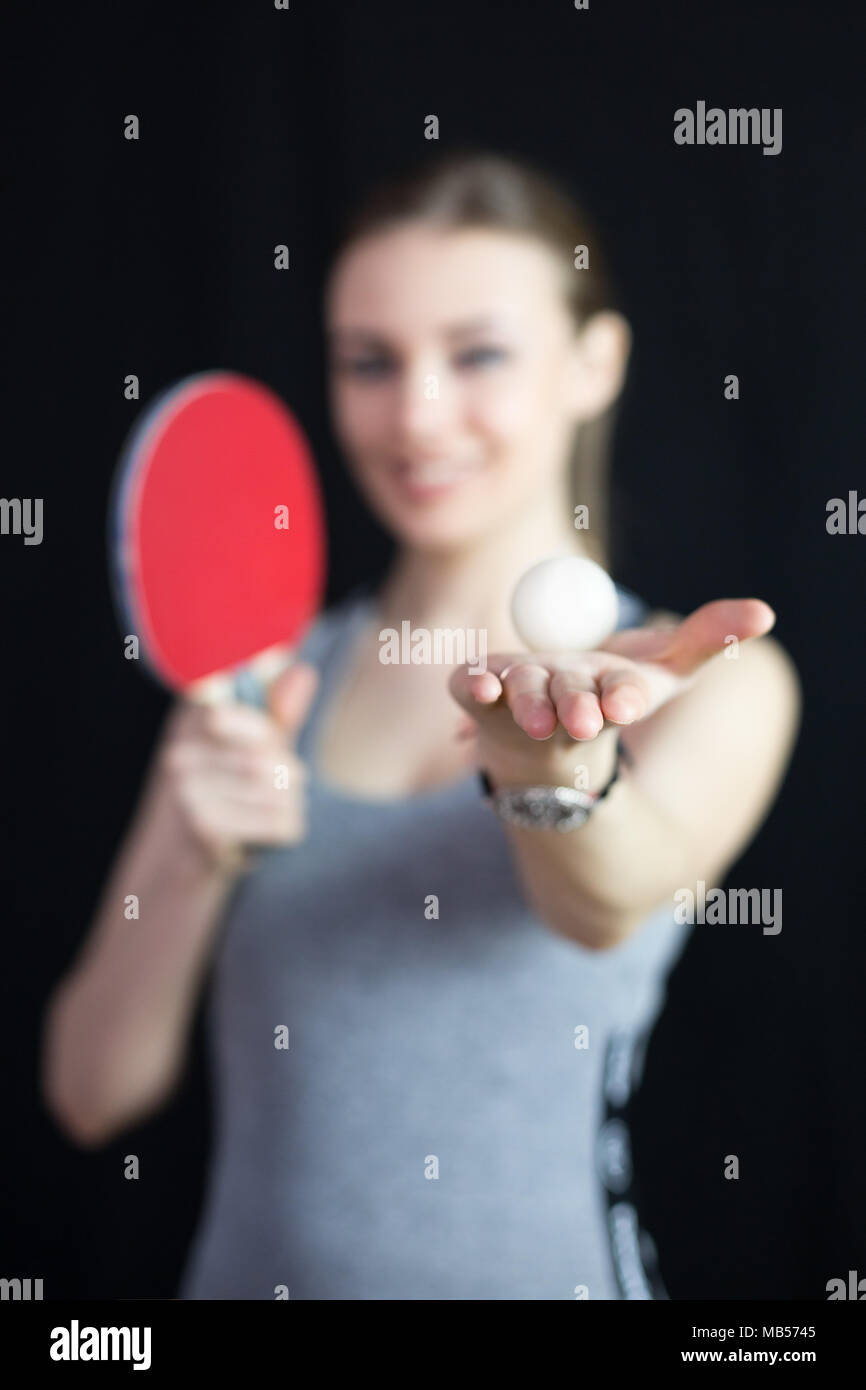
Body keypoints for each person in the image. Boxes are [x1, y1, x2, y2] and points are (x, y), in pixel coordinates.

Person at [40, 151, 801, 1300]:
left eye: (478, 352)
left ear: (593, 363)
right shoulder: (256, 683)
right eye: (369, 362)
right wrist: (190, 856)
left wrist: (550, 765)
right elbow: (90, 1090)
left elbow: (603, 905)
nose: (417, 415)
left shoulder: (712, 681)